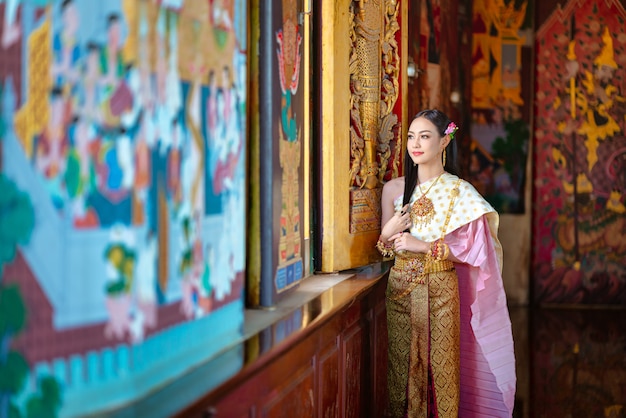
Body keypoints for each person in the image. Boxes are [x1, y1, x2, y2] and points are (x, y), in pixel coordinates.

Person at [377, 109, 516, 417]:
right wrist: (388, 232)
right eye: (411, 136)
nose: (416, 144)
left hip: (441, 289)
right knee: (401, 369)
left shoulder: (460, 191)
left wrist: (423, 246)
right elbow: (384, 247)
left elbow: (475, 249)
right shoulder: (393, 190)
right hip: (399, 288)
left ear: (444, 142)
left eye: (425, 136)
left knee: (442, 368)